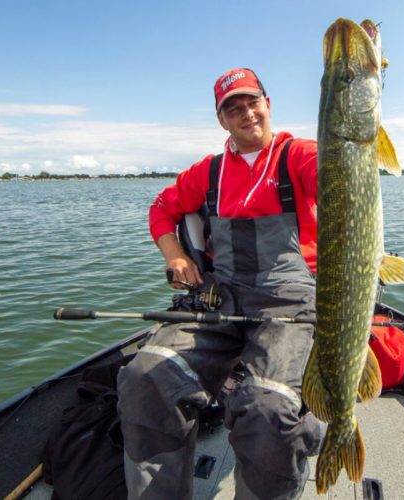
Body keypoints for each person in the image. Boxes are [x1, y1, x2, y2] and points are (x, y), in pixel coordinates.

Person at [116, 68, 324, 499]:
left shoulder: (300, 154)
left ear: (268, 104)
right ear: (221, 119)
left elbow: (337, 171)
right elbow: (161, 208)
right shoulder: (207, 173)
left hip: (291, 302)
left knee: (269, 409)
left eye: (252, 101)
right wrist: (173, 255)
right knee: (144, 376)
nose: (246, 112)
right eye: (233, 107)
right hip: (222, 297)